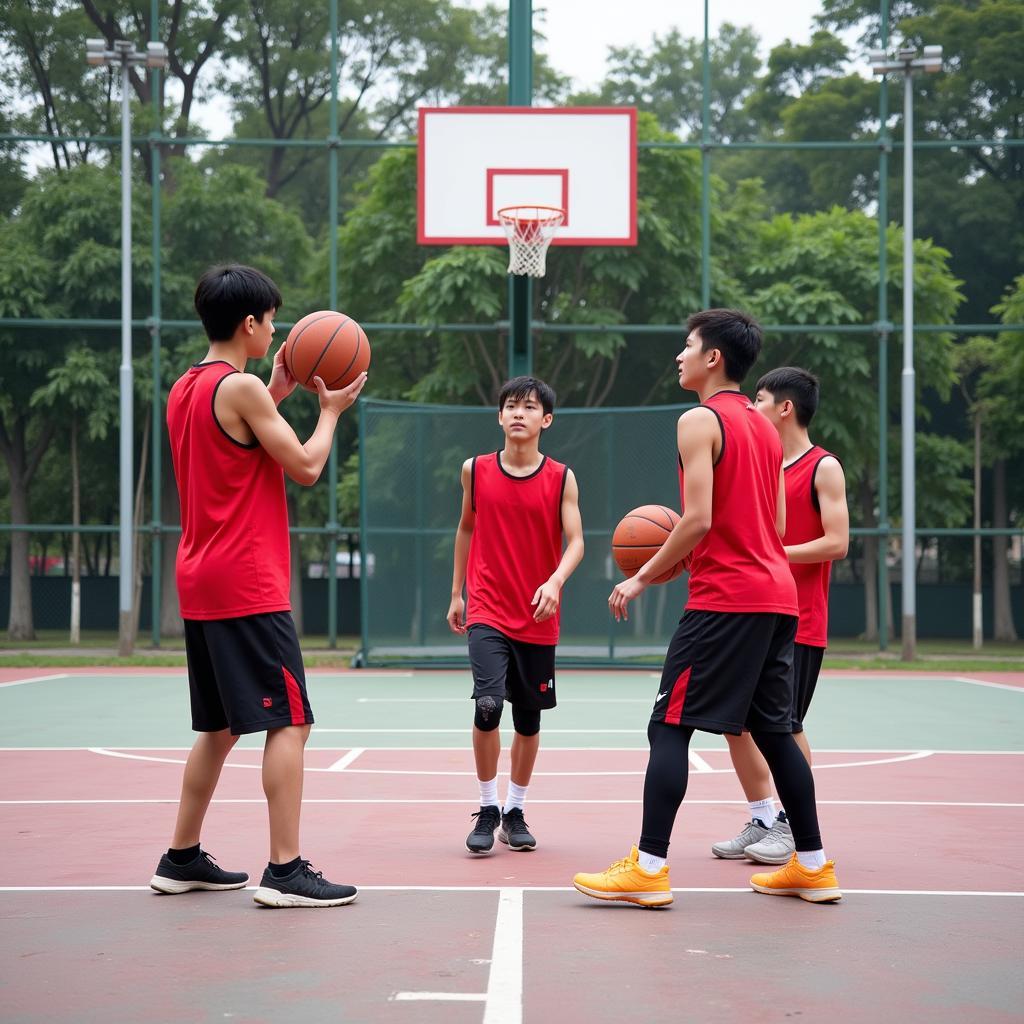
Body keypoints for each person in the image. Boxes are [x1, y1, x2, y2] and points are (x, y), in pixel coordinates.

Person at [573, 309, 841, 906]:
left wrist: (643, 576)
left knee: (667, 726)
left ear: (713, 357)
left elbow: (696, 518)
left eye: (687, 345)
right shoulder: (766, 428)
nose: (679, 355)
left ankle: (647, 868)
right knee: (776, 730)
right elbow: (771, 524)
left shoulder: (698, 420)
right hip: (778, 598)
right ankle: (815, 866)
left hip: (728, 601)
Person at [149, 264, 366, 908]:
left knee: (217, 727)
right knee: (289, 722)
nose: (276, 328)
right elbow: (302, 465)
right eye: (272, 320)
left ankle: (180, 856)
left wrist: (274, 391)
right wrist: (328, 412)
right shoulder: (241, 388)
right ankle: (286, 869)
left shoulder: (187, 387)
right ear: (250, 323)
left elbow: (236, 444)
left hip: (201, 576)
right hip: (247, 580)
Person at [712, 366, 849, 865]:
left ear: (785, 408)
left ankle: (794, 826)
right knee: (733, 723)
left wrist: (770, 551)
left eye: (760, 399)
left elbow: (837, 542)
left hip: (801, 617)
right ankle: (764, 816)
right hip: (753, 612)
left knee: (785, 725)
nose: (752, 406)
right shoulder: (762, 462)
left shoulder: (822, 466)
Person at [447, 376, 584, 855]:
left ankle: (514, 809)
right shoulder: (476, 470)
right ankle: (487, 806)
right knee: (488, 706)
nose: (518, 413)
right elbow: (466, 528)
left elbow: (577, 542)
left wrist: (554, 581)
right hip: (487, 606)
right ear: (500, 417)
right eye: (511, 406)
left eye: (529, 407)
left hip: (537, 613)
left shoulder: (562, 477)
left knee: (528, 721)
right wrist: (457, 592)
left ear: (546, 420)